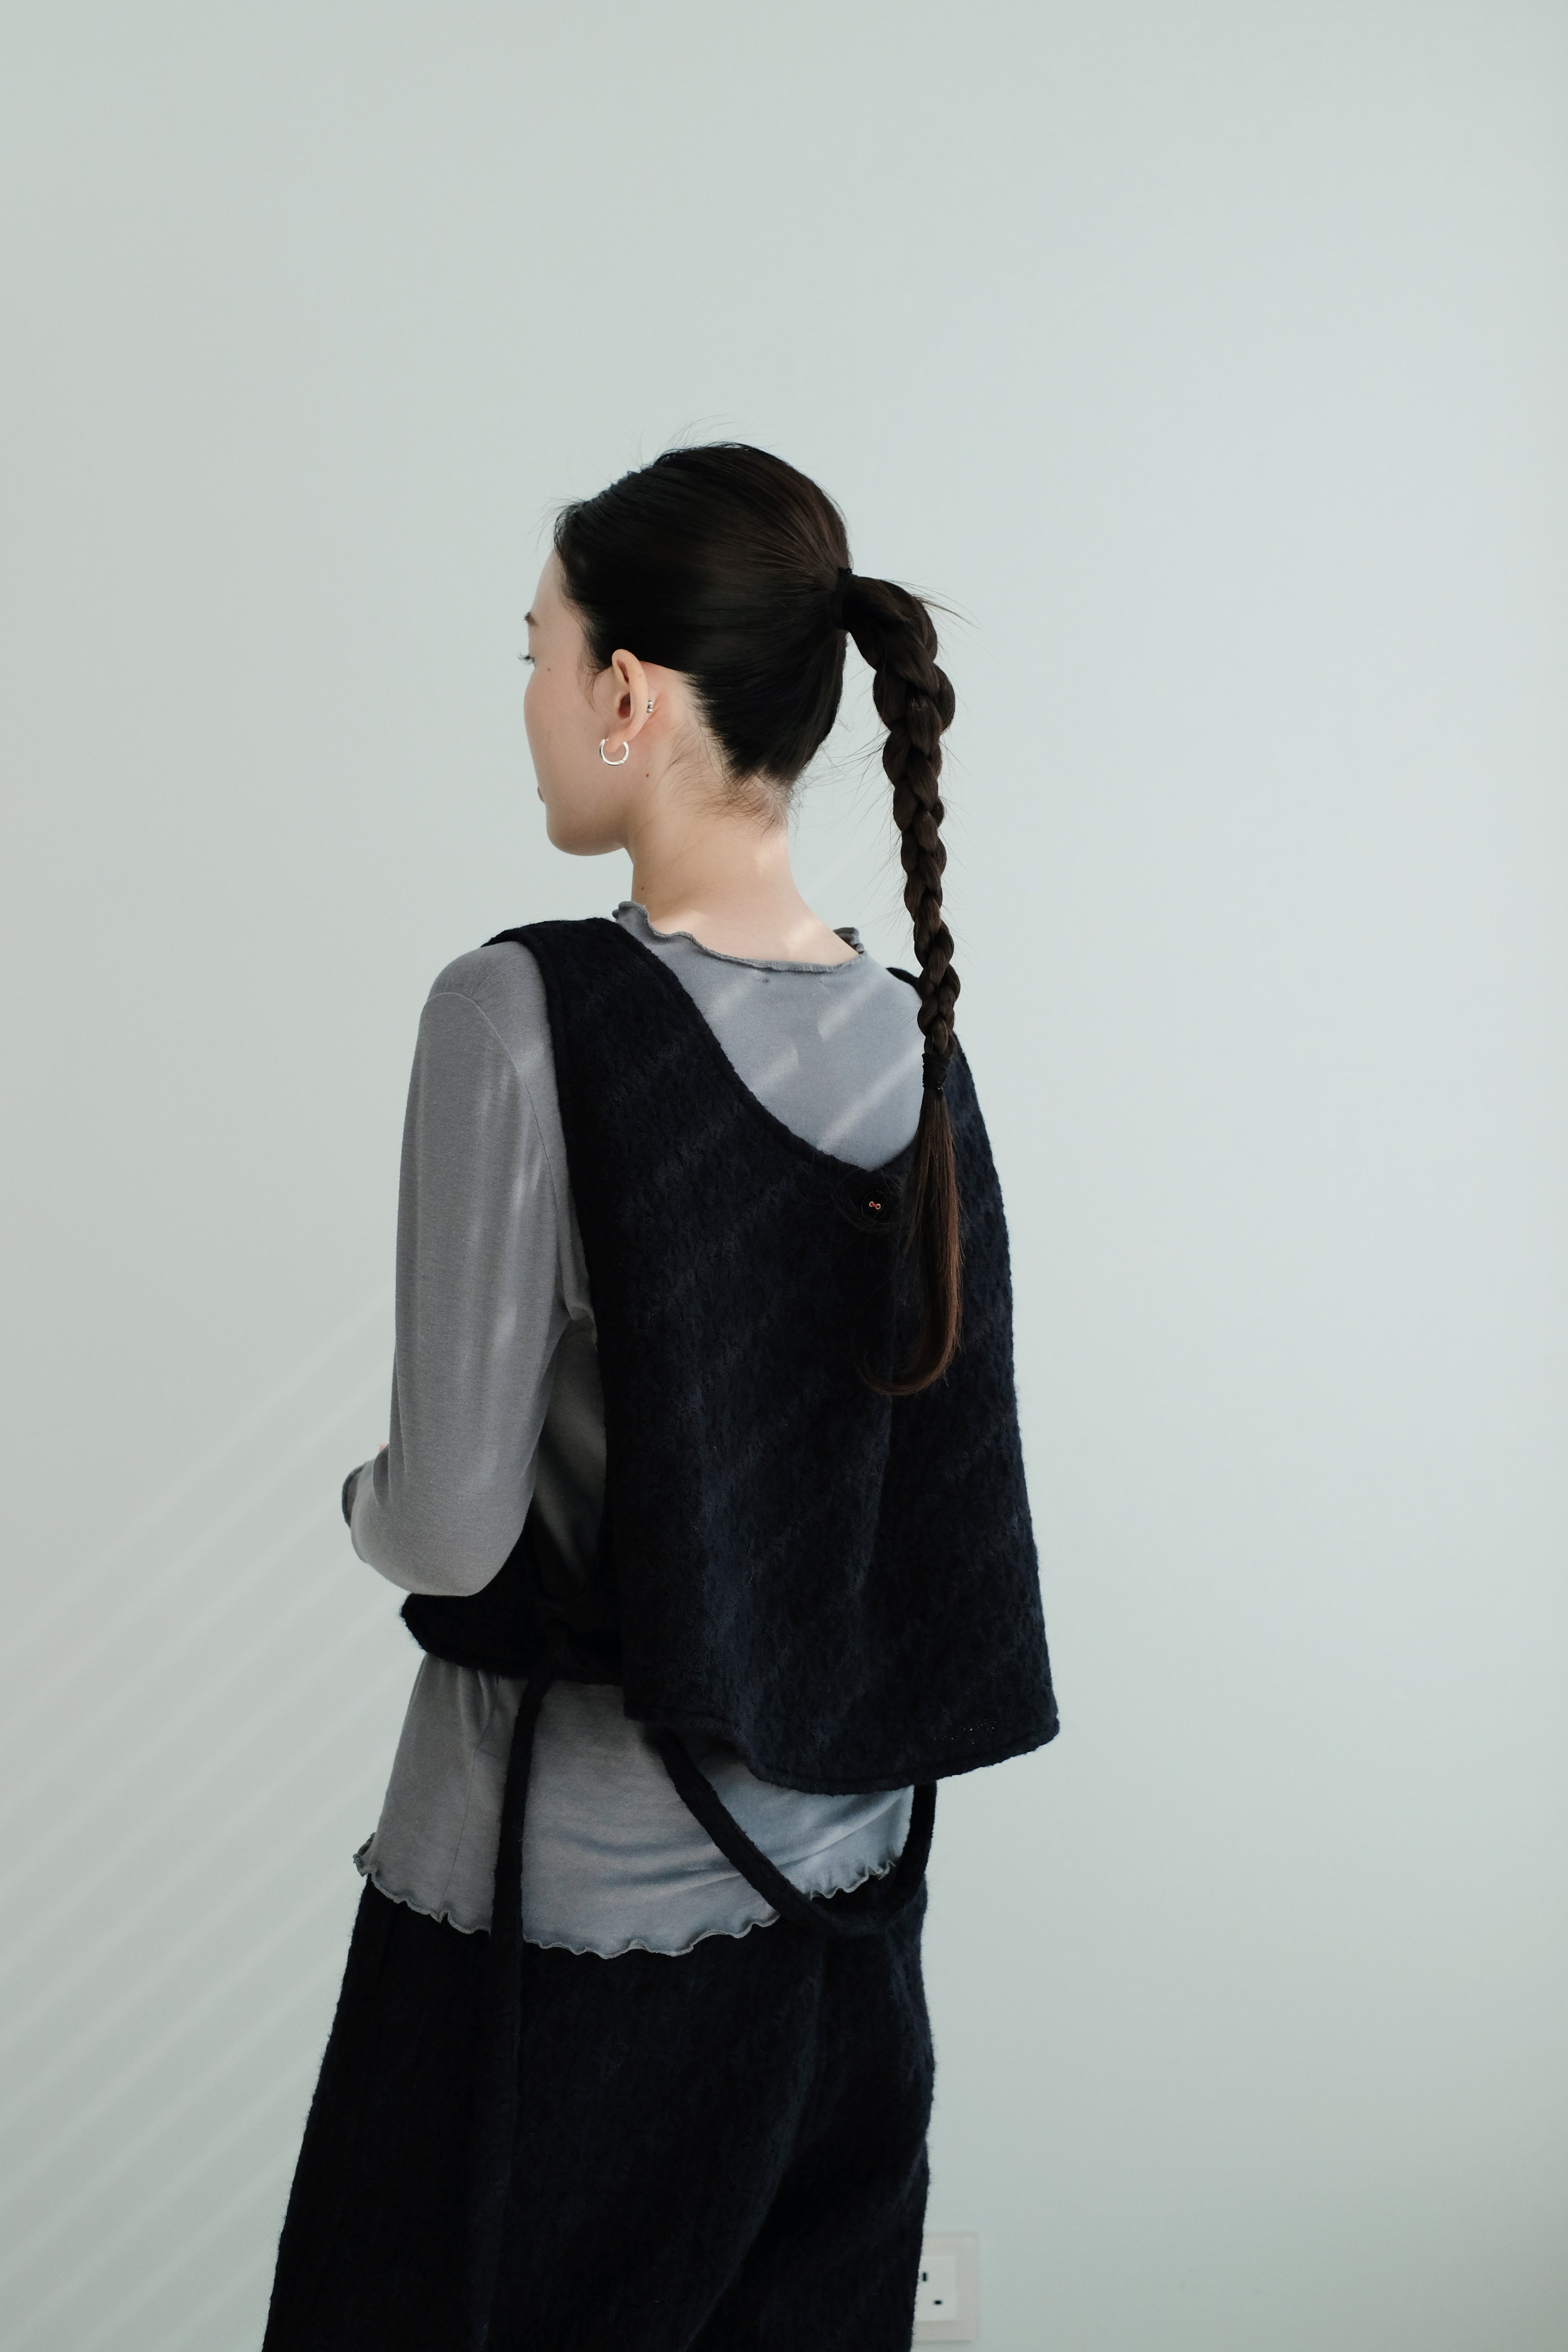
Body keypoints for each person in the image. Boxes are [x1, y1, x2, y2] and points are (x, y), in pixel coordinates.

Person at [262, 443, 1057, 2352]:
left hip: (557, 1933)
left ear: (625, 694)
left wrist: (356, 1502)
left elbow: (446, 1526)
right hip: (848, 1911)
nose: (530, 702)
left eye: (534, 654)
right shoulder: (916, 1037)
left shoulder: (520, 1016)